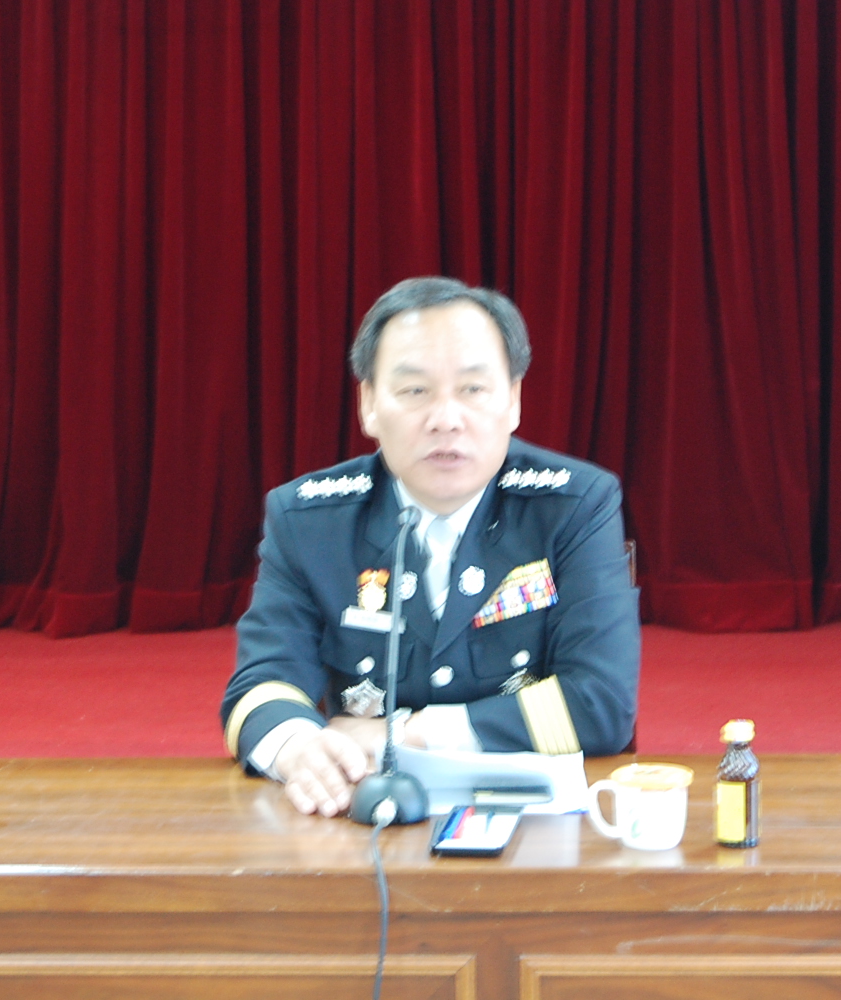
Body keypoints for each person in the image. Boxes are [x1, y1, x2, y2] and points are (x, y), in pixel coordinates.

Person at [221, 277, 640, 817]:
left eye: (473, 389)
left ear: (513, 401)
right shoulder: (308, 519)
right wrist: (298, 748)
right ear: (368, 405)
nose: (446, 419)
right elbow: (259, 687)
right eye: (415, 391)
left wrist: (409, 734)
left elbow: (602, 702)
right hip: (361, 816)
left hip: (538, 824)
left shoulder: (573, 505)